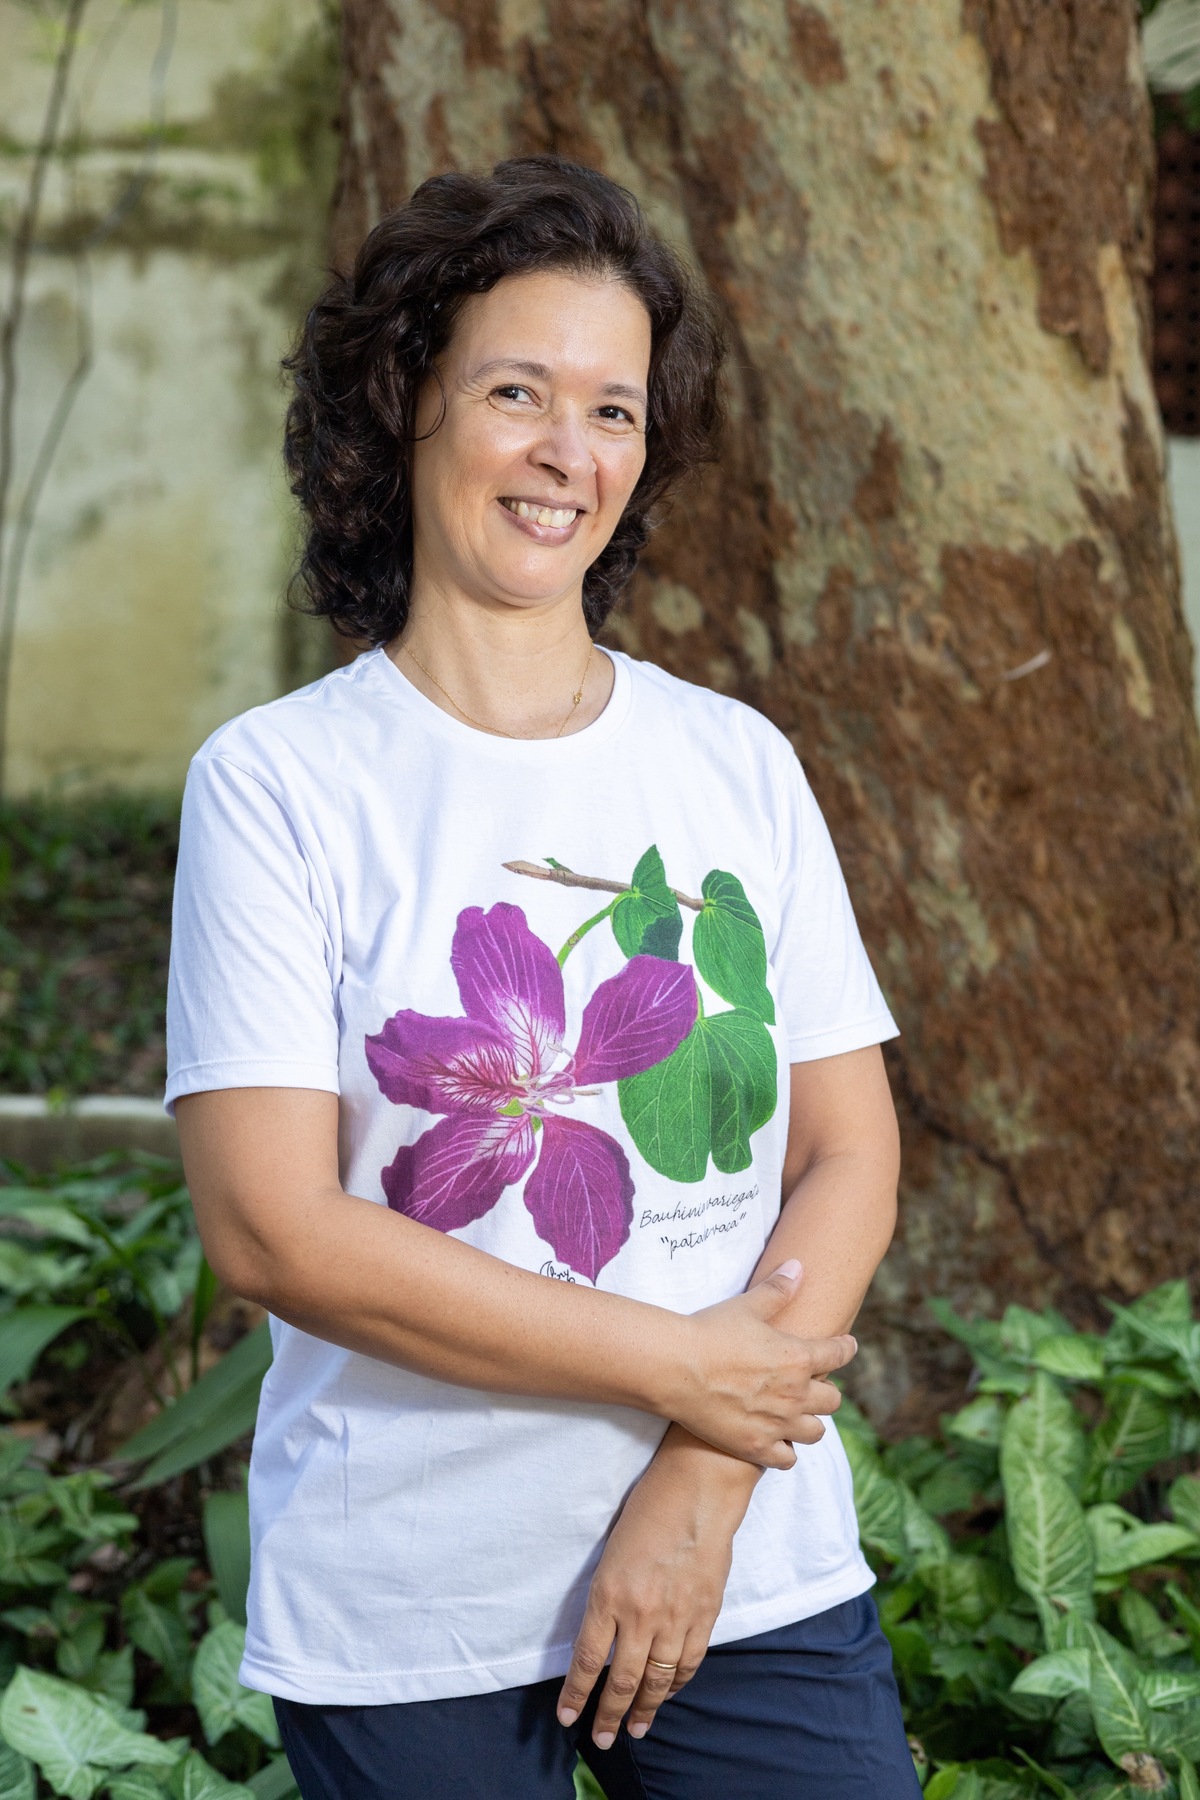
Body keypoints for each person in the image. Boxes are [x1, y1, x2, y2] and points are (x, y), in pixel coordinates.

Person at [167, 156, 918, 1800]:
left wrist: (705, 1470)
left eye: (615, 411)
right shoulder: (280, 784)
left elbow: (848, 1154)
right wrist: (674, 1367)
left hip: (747, 1562)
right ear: (407, 406)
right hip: (411, 1593)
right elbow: (272, 1229)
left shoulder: (734, 764)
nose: (566, 454)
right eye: (518, 391)